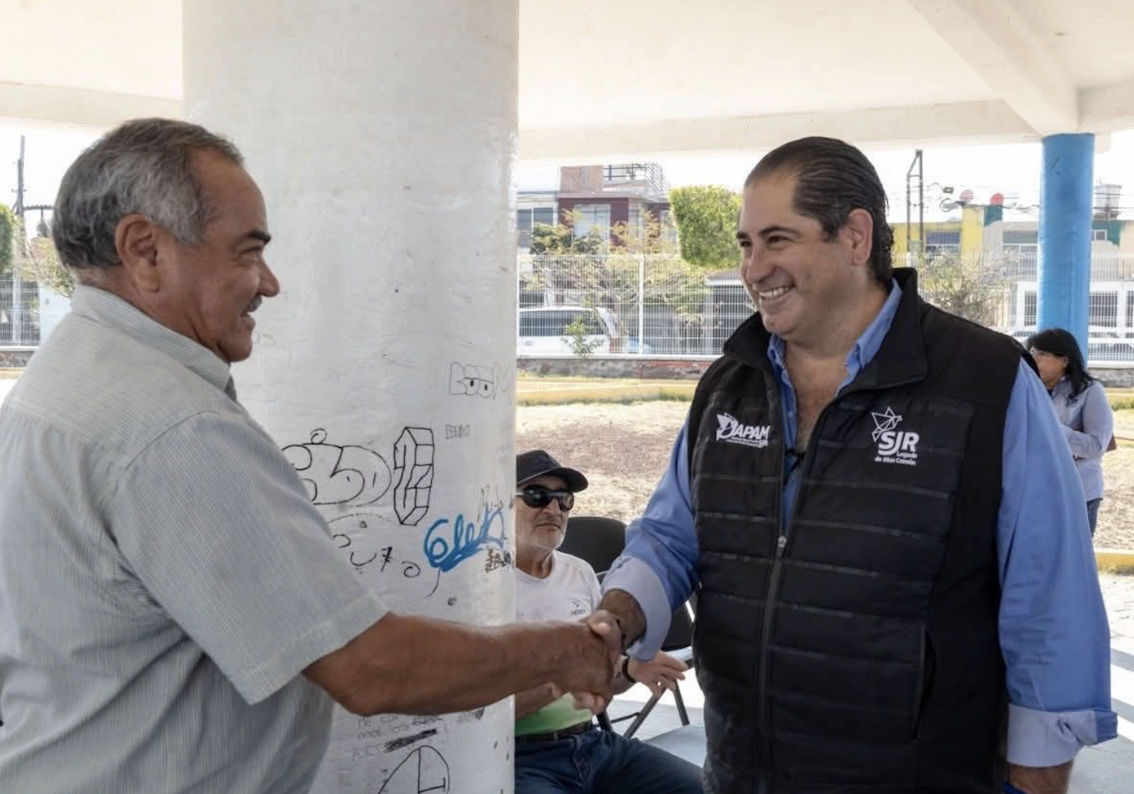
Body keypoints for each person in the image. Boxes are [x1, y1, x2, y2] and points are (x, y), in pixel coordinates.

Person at [0, 119, 616, 794]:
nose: (268, 284)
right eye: (247, 252)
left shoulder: (61, 381)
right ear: (146, 250)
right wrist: (566, 649)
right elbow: (370, 668)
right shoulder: (173, 427)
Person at [589, 137, 1116, 794]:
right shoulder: (728, 386)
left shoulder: (986, 382)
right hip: (742, 772)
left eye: (777, 240)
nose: (754, 268)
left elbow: (1049, 593)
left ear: (856, 236)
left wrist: (1039, 772)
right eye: (746, 244)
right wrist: (617, 618)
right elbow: (671, 538)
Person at [511, 450, 703, 794]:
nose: (553, 509)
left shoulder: (579, 573)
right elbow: (477, 709)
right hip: (521, 758)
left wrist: (628, 670)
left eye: (563, 499)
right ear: (499, 504)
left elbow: (597, 678)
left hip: (593, 744)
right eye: (537, 496)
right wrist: (561, 678)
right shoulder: (482, 589)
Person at [1028, 327, 1115, 535]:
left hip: (1079, 492)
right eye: (1031, 352)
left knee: (1074, 554)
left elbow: (1096, 446)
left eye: (1042, 353)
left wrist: (1051, 428)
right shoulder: (1028, 390)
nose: (1034, 359)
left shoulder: (1089, 390)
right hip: (1035, 491)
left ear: (1064, 360)